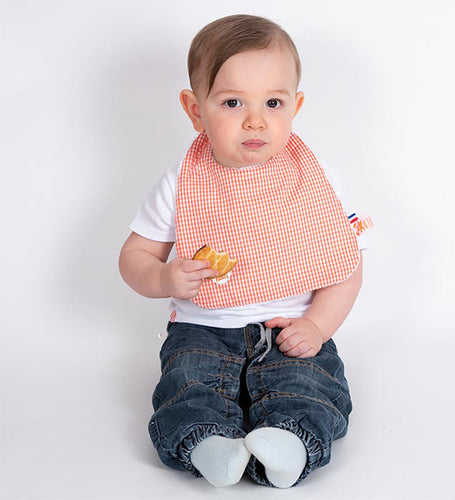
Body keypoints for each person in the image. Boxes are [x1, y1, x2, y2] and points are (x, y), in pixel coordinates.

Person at [119, 14, 370, 488]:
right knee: (187, 384)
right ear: (195, 109)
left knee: (310, 384)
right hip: (202, 329)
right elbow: (133, 258)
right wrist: (164, 277)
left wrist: (318, 326)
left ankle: (289, 444)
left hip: (291, 327)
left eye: (273, 102)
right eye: (232, 102)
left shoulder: (315, 180)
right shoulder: (183, 182)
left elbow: (345, 265)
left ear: (295, 106)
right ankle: (211, 446)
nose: (256, 120)